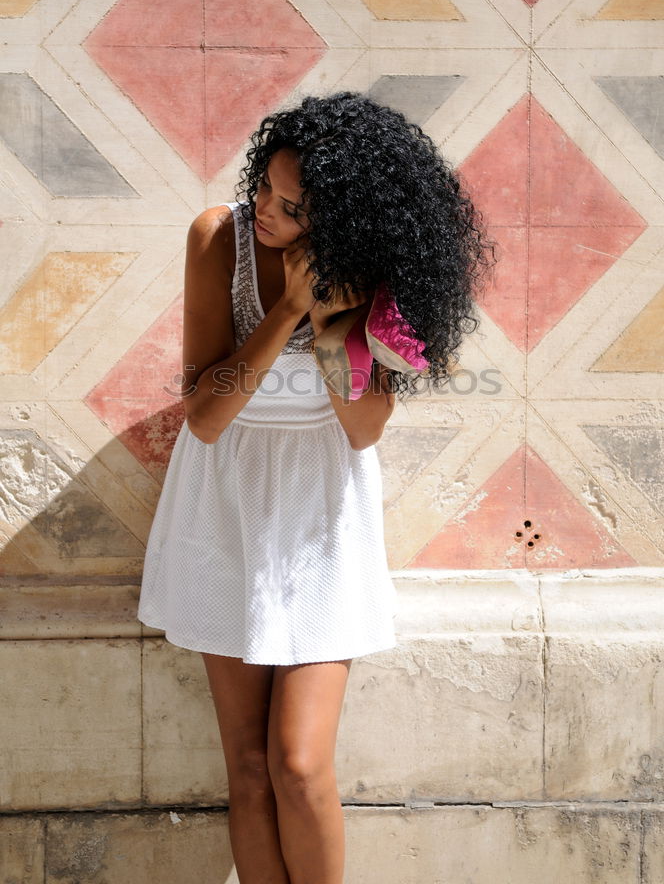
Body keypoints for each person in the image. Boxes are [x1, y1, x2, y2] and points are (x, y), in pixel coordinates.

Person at [137, 91, 497, 883]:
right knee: (250, 768)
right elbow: (204, 414)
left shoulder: (365, 270)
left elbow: (363, 429)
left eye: (290, 206)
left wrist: (333, 318)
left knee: (298, 763)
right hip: (223, 505)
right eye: (264, 185)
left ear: (339, 220)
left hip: (320, 517)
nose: (264, 208)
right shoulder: (217, 238)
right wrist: (287, 310)